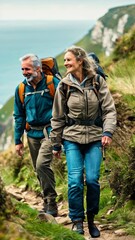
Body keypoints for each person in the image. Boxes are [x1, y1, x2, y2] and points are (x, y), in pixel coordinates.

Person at [50, 46, 117, 237]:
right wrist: (56, 143)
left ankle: (91, 220)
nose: (65, 64)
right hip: (71, 138)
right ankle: (77, 221)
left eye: (68, 60)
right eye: (64, 60)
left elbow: (109, 110)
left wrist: (107, 132)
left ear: (80, 60)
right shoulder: (64, 85)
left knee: (94, 180)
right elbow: (57, 117)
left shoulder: (97, 81)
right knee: (74, 182)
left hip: (95, 136)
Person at [14, 53, 60, 217]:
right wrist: (17, 140)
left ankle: (51, 201)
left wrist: (60, 137)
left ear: (38, 68)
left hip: (50, 131)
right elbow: (19, 115)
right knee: (38, 169)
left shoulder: (52, 83)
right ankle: (47, 201)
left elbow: (63, 109)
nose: (24, 72)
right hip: (31, 134)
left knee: (41, 165)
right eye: (22, 69)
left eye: (27, 69)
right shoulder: (21, 89)